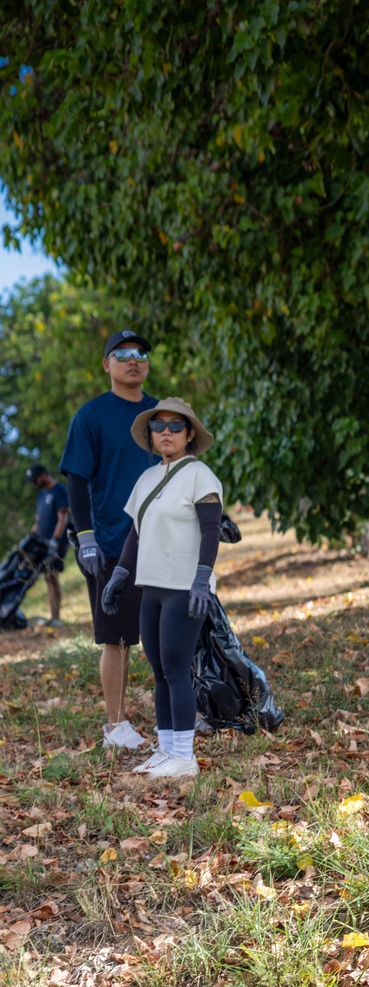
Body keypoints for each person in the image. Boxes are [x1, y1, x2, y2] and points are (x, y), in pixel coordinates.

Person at [101, 398, 223, 780]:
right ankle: (167, 749)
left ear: (189, 435)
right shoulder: (147, 479)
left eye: (175, 426)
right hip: (150, 586)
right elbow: (137, 533)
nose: (166, 432)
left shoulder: (199, 474)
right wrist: (120, 574)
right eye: (159, 426)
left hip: (185, 587)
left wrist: (203, 576)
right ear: (151, 436)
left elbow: (211, 528)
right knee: (158, 670)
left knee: (176, 667)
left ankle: (184, 756)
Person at [61, 328, 157, 749]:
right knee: (116, 639)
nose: (132, 360)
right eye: (122, 354)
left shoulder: (162, 414)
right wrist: (86, 538)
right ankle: (116, 727)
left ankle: (185, 712)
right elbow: (77, 481)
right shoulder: (91, 416)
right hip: (113, 544)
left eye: (140, 353)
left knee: (167, 631)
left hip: (164, 542)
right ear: (107, 365)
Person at [26, 464, 70, 627]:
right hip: (42, 544)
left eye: (35, 479)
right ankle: (53, 616)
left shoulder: (59, 491)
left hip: (56, 544)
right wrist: (31, 536)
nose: (33, 483)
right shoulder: (41, 495)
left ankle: (56, 617)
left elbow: (63, 518)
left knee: (52, 576)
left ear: (43, 475)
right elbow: (38, 521)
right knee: (47, 577)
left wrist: (55, 540)